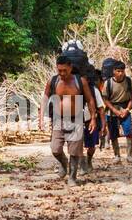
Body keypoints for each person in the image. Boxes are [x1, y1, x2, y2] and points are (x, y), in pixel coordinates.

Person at [40, 55, 98, 185]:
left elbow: (90, 100)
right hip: (58, 119)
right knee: (55, 149)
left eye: (64, 70)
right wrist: (41, 118)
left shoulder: (80, 81)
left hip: (76, 119)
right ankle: (63, 162)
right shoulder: (53, 81)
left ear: (70, 68)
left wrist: (93, 118)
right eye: (59, 70)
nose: (62, 73)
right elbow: (45, 98)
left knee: (75, 151)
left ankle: (72, 177)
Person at [101, 61, 132, 164]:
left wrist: (127, 110)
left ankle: (129, 155)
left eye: (122, 71)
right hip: (112, 111)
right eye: (118, 71)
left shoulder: (129, 82)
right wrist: (114, 110)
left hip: (125, 109)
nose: (120, 73)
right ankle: (117, 156)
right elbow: (105, 99)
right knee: (113, 134)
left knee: (129, 132)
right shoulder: (108, 83)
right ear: (114, 71)